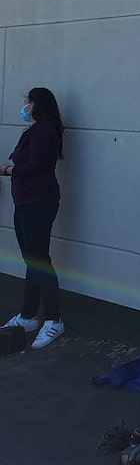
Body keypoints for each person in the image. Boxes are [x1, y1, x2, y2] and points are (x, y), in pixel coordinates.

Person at [2, 87, 66, 349]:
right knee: (32, 258)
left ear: (36, 104)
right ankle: (28, 316)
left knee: (39, 259)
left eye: (27, 101)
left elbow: (37, 165)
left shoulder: (43, 129)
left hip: (38, 203)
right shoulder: (37, 129)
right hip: (27, 202)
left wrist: (7, 170)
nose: (24, 106)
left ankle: (54, 319)